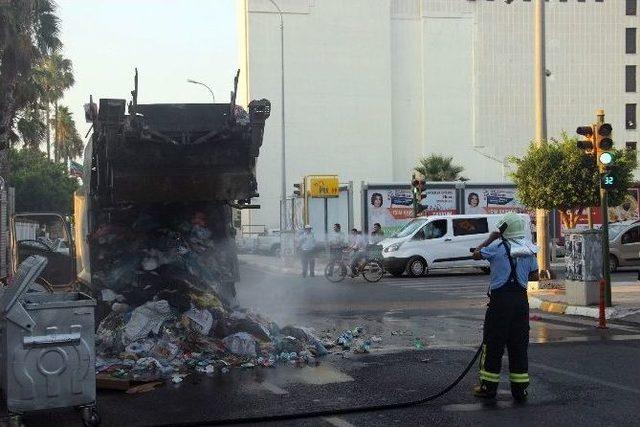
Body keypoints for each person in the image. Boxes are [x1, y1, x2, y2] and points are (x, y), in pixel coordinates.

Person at [471, 212, 538, 403]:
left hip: (500, 302)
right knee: (518, 344)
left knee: (493, 344)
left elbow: (476, 254)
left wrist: (490, 238)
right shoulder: (528, 249)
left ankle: (488, 387)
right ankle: (520, 389)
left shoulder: (496, 248)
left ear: (503, 229)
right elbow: (535, 276)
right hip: (520, 302)